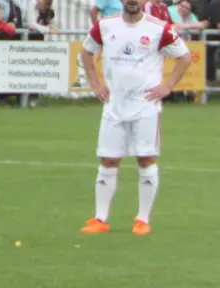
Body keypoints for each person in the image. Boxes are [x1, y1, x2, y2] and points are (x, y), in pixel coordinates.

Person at [78, 0, 191, 236]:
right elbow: (87, 52)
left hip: (145, 105)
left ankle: (143, 219)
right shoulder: (105, 25)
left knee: (146, 159)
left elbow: (184, 57)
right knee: (108, 160)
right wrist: (96, 84)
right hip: (114, 104)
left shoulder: (159, 28)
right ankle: (100, 218)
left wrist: (167, 86)